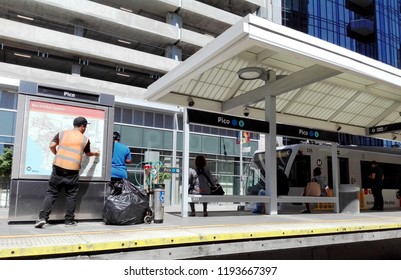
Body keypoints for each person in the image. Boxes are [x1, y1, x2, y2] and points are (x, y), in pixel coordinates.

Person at [34, 116, 100, 228]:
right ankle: (69, 221)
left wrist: (57, 154)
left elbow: (51, 145)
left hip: (58, 168)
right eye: (85, 126)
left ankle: (43, 218)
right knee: (71, 196)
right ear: (83, 126)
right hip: (73, 171)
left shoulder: (62, 133)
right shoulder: (85, 139)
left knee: (51, 193)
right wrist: (95, 154)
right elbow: (87, 154)